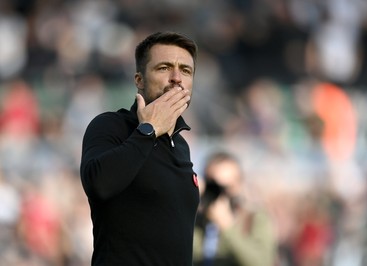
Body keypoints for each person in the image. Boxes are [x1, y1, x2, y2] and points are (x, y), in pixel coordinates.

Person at [80, 31, 200, 266]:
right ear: (139, 80)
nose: (177, 78)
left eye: (186, 71)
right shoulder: (111, 125)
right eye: (164, 68)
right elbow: (98, 184)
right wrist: (149, 130)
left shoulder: (181, 145)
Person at [193, 151, 277, 266]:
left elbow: (262, 262)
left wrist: (227, 226)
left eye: (226, 187)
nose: (220, 194)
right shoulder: (196, 221)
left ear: (239, 185)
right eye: (214, 187)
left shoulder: (254, 218)